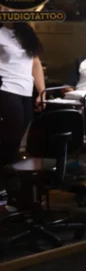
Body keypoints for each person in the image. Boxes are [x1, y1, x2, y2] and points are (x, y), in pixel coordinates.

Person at [0, 22, 45, 209]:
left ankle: (12, 193)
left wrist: (42, 92)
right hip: (5, 88)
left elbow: (35, 63)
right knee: (10, 142)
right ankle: (7, 193)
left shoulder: (25, 32)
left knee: (16, 143)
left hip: (26, 91)